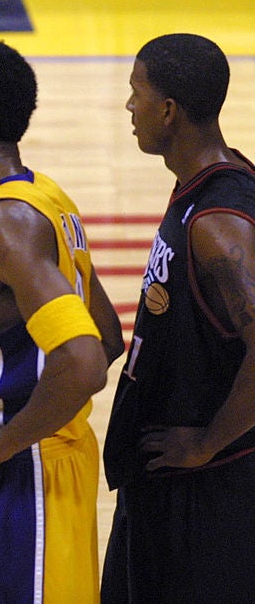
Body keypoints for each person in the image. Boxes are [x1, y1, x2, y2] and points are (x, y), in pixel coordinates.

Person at [0, 39, 124, 602]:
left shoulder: (5, 222)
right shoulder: (46, 197)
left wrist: (6, 442)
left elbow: (86, 359)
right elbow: (108, 334)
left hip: (23, 481)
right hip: (55, 463)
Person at [101, 34, 255, 603]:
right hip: (167, 479)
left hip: (204, 492)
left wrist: (207, 444)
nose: (129, 107)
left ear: (168, 110)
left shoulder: (219, 223)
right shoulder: (204, 184)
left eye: (136, 93)